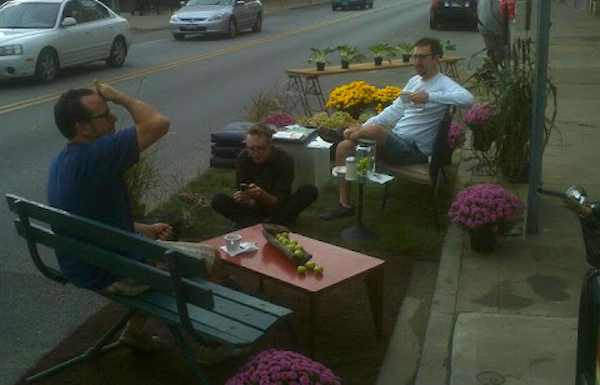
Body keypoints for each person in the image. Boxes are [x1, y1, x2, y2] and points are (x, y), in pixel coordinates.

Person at [48, 82, 226, 357]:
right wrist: (118, 96)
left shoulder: (64, 160)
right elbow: (158, 123)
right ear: (82, 128)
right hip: (110, 271)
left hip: (83, 263)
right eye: (105, 114)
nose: (113, 117)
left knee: (149, 246)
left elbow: (97, 221)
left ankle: (134, 331)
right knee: (212, 258)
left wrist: (145, 229)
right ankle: (211, 341)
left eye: (111, 110)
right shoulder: (98, 155)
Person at [320, 37, 475, 221]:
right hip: (395, 140)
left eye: (423, 57)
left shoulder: (443, 83)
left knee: (374, 132)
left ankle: (338, 134)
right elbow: (394, 110)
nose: (417, 62)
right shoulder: (413, 81)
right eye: (415, 57)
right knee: (344, 148)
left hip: (413, 151)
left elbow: (468, 99)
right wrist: (363, 126)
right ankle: (345, 205)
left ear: (436, 58)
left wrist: (430, 97)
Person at [211, 124, 318, 229]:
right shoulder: (242, 159)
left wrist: (262, 195)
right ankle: (270, 224)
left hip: (277, 206)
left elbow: (280, 202)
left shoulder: (284, 159)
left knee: (309, 191)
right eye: (251, 149)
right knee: (218, 199)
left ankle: (255, 224)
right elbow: (243, 190)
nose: (256, 154)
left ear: (270, 145)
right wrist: (245, 199)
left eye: (260, 149)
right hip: (253, 208)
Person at [477, 0, 509, 66]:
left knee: (491, 50)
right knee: (500, 52)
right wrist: (503, 26)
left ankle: (486, 71)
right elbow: (498, 12)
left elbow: (478, 9)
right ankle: (486, 70)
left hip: (482, 24)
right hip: (493, 27)